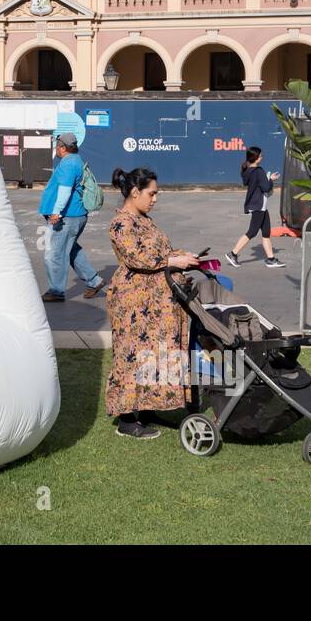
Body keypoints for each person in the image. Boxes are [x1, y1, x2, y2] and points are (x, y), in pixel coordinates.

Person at [105, 166, 200, 439]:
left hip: (155, 303)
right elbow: (138, 258)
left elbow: (162, 252)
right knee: (131, 355)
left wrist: (184, 256)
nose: (155, 199)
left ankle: (148, 409)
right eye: (152, 193)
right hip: (133, 304)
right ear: (135, 193)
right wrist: (174, 261)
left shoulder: (145, 220)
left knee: (155, 354)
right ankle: (126, 418)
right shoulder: (121, 223)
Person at [39, 132, 105, 303]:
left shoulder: (68, 164)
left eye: (57, 145)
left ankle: (56, 291)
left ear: (63, 147)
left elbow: (65, 191)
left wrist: (56, 212)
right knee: (71, 250)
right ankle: (94, 281)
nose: (56, 148)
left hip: (67, 217)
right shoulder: (75, 160)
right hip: (75, 216)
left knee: (54, 254)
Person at [225, 146, 285, 269]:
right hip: (258, 205)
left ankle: (270, 259)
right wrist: (271, 179)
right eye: (261, 156)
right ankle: (233, 254)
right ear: (256, 158)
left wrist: (267, 179)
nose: (262, 157)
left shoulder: (249, 171)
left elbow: (259, 185)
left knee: (266, 233)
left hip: (259, 205)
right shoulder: (258, 171)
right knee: (252, 232)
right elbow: (266, 188)